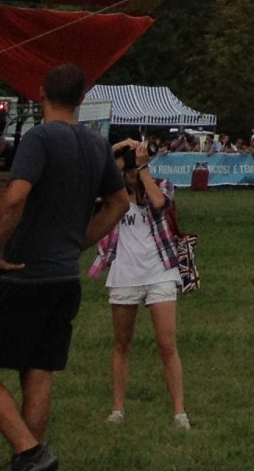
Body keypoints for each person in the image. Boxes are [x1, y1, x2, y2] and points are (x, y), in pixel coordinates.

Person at [0, 64, 130, 471]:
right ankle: (33, 461)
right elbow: (119, 202)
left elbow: (16, 198)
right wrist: (80, 241)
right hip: (64, 276)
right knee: (39, 370)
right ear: (82, 99)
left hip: (23, 271)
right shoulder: (94, 145)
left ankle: (28, 451)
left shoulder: (39, 139)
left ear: (41, 93)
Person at [93, 138, 189, 429]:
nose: (132, 172)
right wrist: (117, 150)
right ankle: (118, 409)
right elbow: (93, 179)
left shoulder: (162, 184)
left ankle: (179, 412)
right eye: (129, 168)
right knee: (122, 343)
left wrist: (143, 166)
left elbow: (159, 203)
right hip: (125, 274)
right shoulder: (113, 195)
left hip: (159, 271)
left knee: (166, 344)